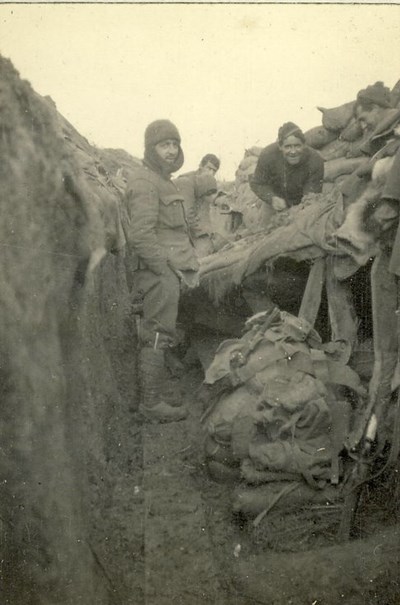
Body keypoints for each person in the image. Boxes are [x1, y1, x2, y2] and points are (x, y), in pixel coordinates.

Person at [122, 119, 199, 423]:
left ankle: (155, 394)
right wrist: (164, 271)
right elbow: (140, 234)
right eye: (164, 144)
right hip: (157, 272)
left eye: (175, 144)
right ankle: (151, 404)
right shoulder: (144, 182)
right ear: (150, 148)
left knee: (162, 330)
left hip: (168, 269)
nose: (171, 150)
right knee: (156, 333)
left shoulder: (164, 180)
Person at [250, 122, 324, 211]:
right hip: (275, 201)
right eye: (288, 147)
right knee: (269, 224)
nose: (293, 151)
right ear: (280, 147)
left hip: (302, 203)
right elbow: (257, 183)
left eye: (297, 146)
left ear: (304, 145)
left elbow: (312, 194)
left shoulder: (314, 160)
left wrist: (300, 210)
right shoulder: (268, 155)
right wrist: (272, 198)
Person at [175, 172, 218, 256]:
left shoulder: (193, 186)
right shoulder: (186, 185)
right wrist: (204, 233)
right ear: (204, 191)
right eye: (209, 194)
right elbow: (187, 216)